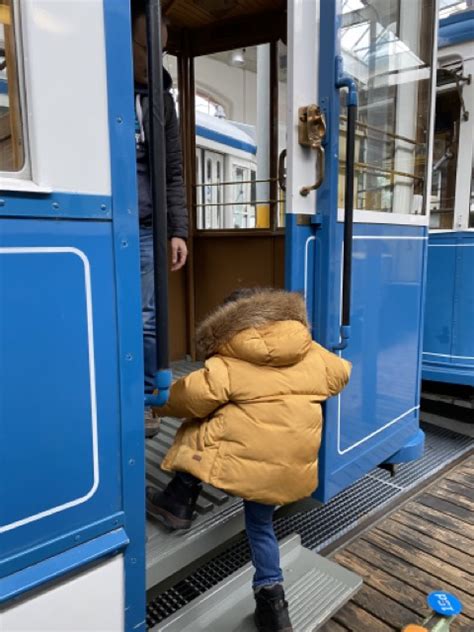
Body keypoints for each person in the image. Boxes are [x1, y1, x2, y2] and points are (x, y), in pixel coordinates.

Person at [146, 288, 351, 632]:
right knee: (260, 528)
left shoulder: (229, 359)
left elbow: (191, 397)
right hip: (292, 462)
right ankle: (274, 607)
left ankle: (178, 499)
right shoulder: (310, 350)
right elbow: (340, 372)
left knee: (201, 421)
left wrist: (158, 401)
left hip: (252, 461)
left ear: (229, 324)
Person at [132, 0, 188, 438]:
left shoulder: (162, 103)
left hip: (149, 227)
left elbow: (172, 170)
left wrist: (177, 230)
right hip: (109, 226)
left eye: (161, 49)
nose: (155, 58)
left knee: (148, 317)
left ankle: (148, 399)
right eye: (146, 46)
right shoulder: (99, 90)